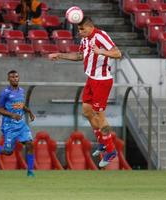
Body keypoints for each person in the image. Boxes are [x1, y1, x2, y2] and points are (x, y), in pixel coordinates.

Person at [48, 16, 122, 168]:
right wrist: (60, 55)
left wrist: (101, 51)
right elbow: (80, 56)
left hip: (102, 80)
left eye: (82, 29)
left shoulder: (101, 36)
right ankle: (102, 142)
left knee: (100, 115)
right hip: (91, 79)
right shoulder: (85, 39)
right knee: (87, 111)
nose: (79, 32)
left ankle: (110, 150)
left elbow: (117, 53)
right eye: (78, 29)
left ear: (90, 27)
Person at [0, 70, 36, 177]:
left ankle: (30, 172)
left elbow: (21, 105)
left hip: (21, 124)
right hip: (9, 126)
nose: (15, 78)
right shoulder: (5, 93)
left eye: (16, 76)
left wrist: (29, 111)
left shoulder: (21, 90)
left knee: (30, 144)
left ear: (19, 78)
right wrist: (12, 115)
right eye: (12, 77)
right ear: (8, 79)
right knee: (8, 152)